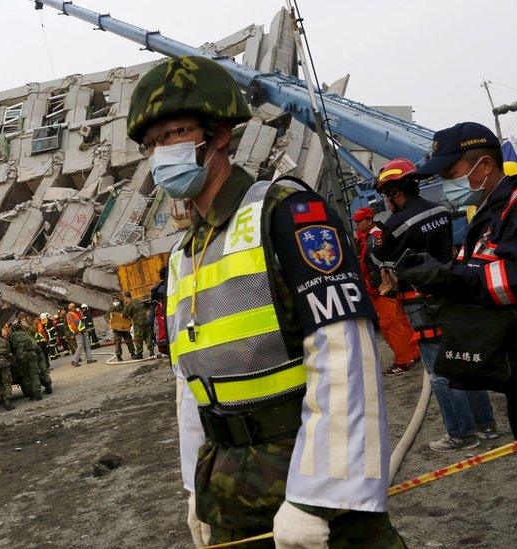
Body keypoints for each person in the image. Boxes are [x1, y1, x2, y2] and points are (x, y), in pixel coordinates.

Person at [127, 55, 403, 546]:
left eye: (172, 134)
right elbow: (190, 385)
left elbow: (343, 355)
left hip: (301, 473)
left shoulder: (286, 213)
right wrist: (196, 486)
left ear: (219, 136)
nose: (160, 153)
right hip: (229, 486)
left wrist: (316, 496)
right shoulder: (184, 252)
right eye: (152, 144)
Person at [396, 122, 517, 546]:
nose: (446, 184)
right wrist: (439, 280)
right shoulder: (490, 211)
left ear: (482, 165)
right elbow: (481, 271)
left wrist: (450, 277)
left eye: (449, 174)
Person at [374, 157, 499, 451]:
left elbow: (380, 259)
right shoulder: (441, 210)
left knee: (439, 371)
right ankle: (486, 425)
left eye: (386, 194)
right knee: (465, 358)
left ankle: (461, 433)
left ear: (394, 191)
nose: (386, 201)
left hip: (421, 302)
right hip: (452, 293)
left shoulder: (396, 224)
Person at [351, 206, 419, 375]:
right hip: (381, 287)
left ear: (369, 220)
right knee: (400, 321)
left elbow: (377, 262)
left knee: (390, 324)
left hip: (381, 288)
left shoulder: (374, 237)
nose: (357, 224)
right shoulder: (368, 236)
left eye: (360, 221)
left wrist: (376, 284)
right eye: (356, 221)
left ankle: (403, 361)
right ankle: (414, 353)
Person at [8, 323, 44, 402]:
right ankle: (37, 394)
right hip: (32, 354)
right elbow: (34, 344)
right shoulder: (26, 334)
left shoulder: (10, 336)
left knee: (25, 375)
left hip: (21, 356)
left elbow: (9, 349)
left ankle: (30, 394)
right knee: (34, 374)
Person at [106, 296, 137, 361]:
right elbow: (106, 317)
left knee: (129, 340)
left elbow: (128, 316)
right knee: (118, 342)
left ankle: (133, 353)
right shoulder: (111, 309)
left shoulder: (123, 308)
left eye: (116, 301)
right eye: (114, 301)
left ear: (119, 302)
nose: (115, 302)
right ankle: (119, 356)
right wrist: (109, 321)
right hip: (116, 329)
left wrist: (129, 323)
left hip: (124, 328)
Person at [67, 302, 96, 366]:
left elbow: (82, 317)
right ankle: (74, 361)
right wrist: (77, 331)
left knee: (87, 345)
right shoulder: (70, 314)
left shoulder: (76, 313)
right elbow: (72, 325)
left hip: (83, 331)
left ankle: (89, 359)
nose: (75, 308)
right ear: (71, 308)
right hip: (79, 333)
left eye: (75, 307)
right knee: (80, 346)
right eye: (74, 307)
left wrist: (79, 311)